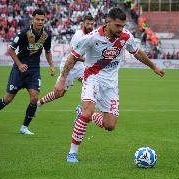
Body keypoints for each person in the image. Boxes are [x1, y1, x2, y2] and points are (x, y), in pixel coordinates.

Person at [55, 7, 165, 163]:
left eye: (122, 25)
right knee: (87, 113)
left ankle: (85, 114)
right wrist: (62, 79)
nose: (121, 29)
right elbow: (72, 58)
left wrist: (153, 66)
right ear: (108, 22)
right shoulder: (92, 38)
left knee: (110, 125)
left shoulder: (125, 36)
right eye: (117, 26)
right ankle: (72, 152)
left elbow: (138, 52)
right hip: (92, 77)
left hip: (111, 84)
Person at [0, 9, 55, 135]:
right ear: (33, 19)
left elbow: (47, 51)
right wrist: (19, 65)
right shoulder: (24, 33)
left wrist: (51, 66)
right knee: (8, 98)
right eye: (38, 19)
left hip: (34, 70)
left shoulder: (46, 35)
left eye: (42, 20)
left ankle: (24, 127)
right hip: (19, 70)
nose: (40, 22)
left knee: (34, 98)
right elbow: (11, 50)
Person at [37, 14, 95, 107]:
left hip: (79, 66)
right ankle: (37, 104)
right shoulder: (78, 36)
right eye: (88, 24)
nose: (90, 26)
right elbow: (74, 56)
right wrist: (89, 60)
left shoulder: (91, 34)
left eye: (92, 24)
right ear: (83, 24)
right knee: (59, 93)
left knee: (90, 83)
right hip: (69, 65)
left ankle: (83, 108)